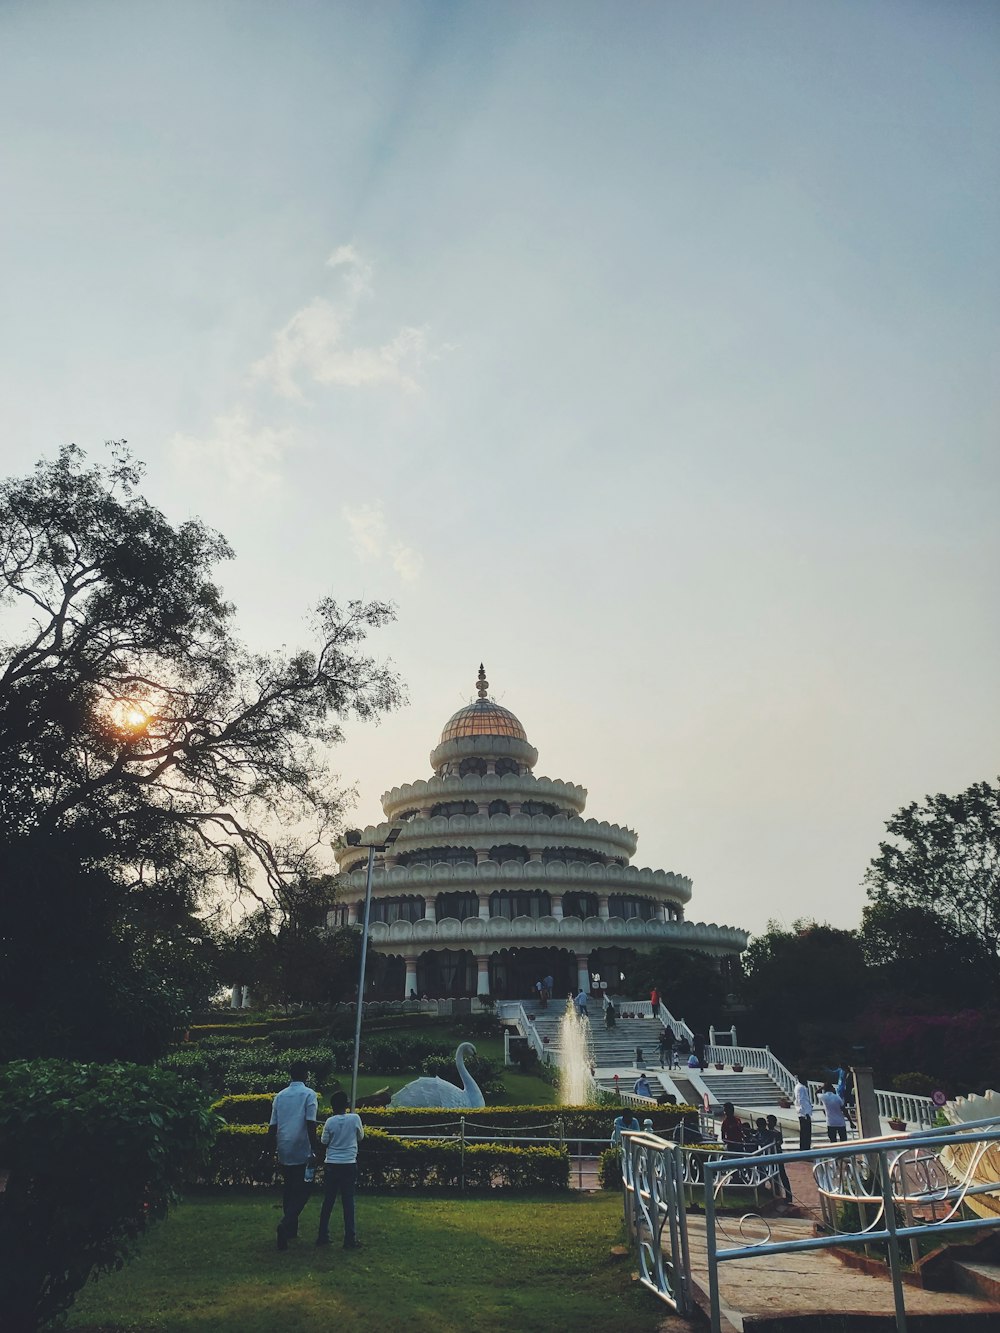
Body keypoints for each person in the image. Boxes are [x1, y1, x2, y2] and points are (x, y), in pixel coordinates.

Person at [267, 1060, 320, 1250]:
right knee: (304, 1189)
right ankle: (287, 1222)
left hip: (284, 1145)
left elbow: (273, 1125)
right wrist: (314, 1149)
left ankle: (291, 1229)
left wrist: (268, 1149)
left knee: (289, 1187)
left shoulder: (280, 1096)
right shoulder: (309, 1094)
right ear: (306, 1075)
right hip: (302, 1147)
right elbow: (310, 1123)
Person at [316, 1089, 365, 1249]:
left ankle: (322, 1235)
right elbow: (360, 1137)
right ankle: (349, 1238)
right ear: (346, 1104)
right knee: (348, 1201)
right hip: (349, 1163)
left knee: (328, 1200)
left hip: (332, 1163)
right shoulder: (355, 1118)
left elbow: (324, 1141)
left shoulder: (330, 1122)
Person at [765, 1114, 793, 1202]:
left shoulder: (776, 1133)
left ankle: (789, 1196)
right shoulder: (766, 1133)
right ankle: (776, 1193)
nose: (768, 1123)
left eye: (770, 1121)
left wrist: (776, 1143)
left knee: (782, 1175)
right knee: (772, 1174)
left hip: (777, 1156)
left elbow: (779, 1142)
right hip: (769, 1156)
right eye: (767, 1121)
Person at [794, 1075, 813, 1151]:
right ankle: (805, 1149)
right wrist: (805, 1113)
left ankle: (805, 1148)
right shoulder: (801, 1088)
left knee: (805, 1133)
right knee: (806, 1133)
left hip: (804, 1112)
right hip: (804, 1113)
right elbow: (801, 1100)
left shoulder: (800, 1087)